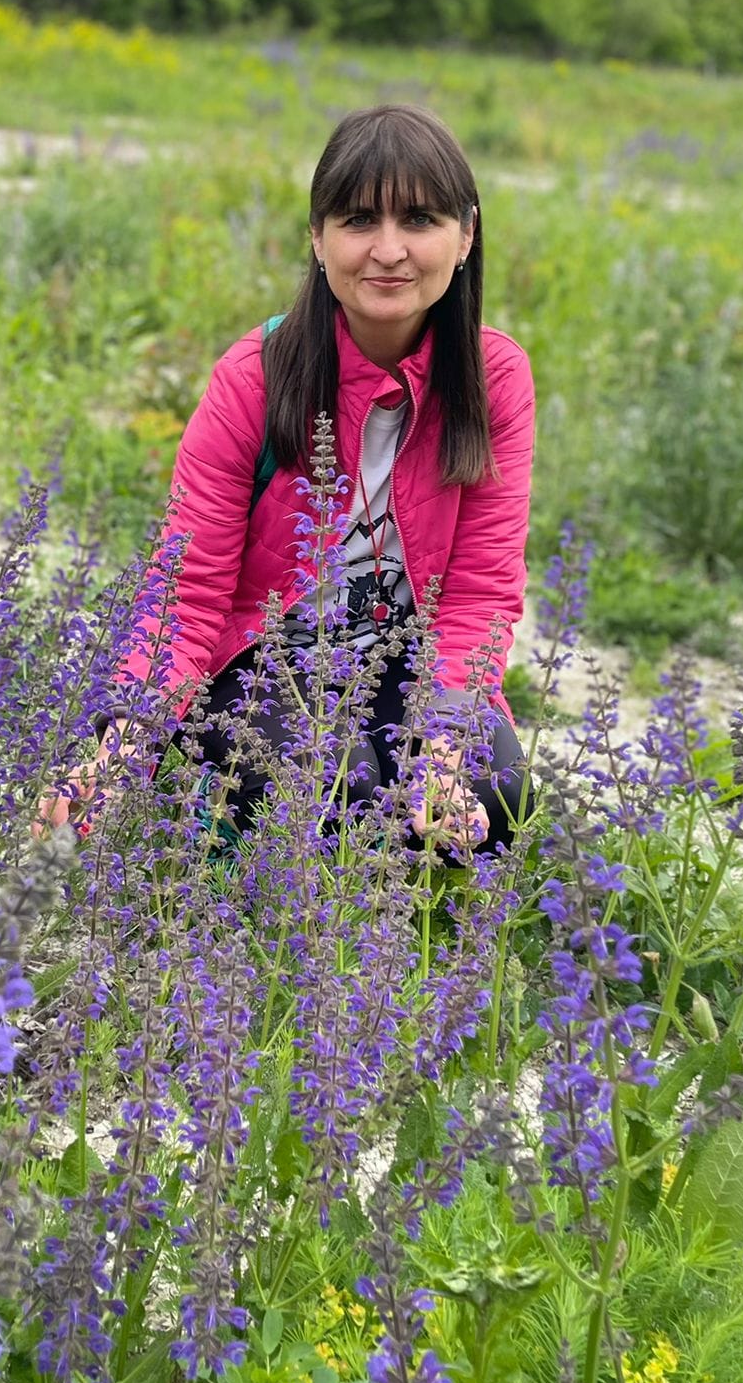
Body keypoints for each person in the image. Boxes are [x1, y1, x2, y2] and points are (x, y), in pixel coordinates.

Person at [38, 103, 535, 854]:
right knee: (340, 800)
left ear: (466, 235)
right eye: (359, 220)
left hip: (407, 656)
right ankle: (204, 806)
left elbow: (479, 595)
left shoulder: (494, 376)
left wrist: (445, 749)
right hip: (263, 658)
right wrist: (122, 746)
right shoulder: (255, 376)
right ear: (317, 236)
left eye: (422, 220)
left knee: (496, 799)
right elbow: (188, 590)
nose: (389, 250)